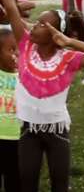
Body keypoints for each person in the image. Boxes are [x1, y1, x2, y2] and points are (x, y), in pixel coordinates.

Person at [0, 0, 84, 192]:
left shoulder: (67, 58)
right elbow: (11, 8)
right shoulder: (25, 46)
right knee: (27, 182)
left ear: (54, 34)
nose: (33, 25)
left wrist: (71, 42)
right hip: (28, 130)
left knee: (60, 184)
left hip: (57, 130)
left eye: (42, 24)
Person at [0, 28, 20, 192]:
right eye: (11, 49)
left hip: (18, 139)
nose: (17, 54)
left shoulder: (25, 76)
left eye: (18, 48)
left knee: (15, 180)